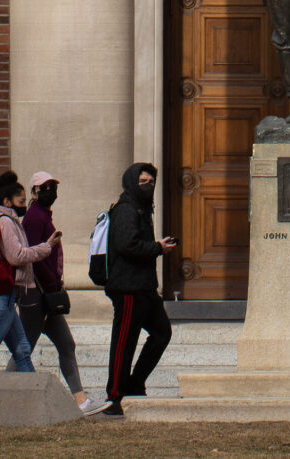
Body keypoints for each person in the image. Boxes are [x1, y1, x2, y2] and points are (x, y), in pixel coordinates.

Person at [99, 161, 175, 416]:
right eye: (143, 182)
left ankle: (133, 383)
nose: (148, 186)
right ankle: (115, 395)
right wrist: (157, 248)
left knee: (162, 333)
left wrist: (156, 248)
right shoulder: (126, 209)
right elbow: (127, 245)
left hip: (144, 287)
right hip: (127, 287)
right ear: (132, 182)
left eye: (151, 182)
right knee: (124, 341)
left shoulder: (142, 208)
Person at [16, 170, 90, 409]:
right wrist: (52, 285)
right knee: (24, 349)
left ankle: (80, 400)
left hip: (47, 294)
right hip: (38, 296)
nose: (50, 191)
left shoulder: (42, 216)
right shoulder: (35, 218)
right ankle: (7, 395)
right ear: (34, 191)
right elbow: (35, 258)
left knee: (66, 344)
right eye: (44, 187)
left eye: (52, 186)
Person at [0, 170, 52, 372]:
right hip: (0, 299)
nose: (24, 205)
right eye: (21, 201)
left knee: (22, 350)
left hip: (3, 297)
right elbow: (16, 256)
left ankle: (33, 399)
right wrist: (45, 247)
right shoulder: (5, 222)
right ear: (7, 201)